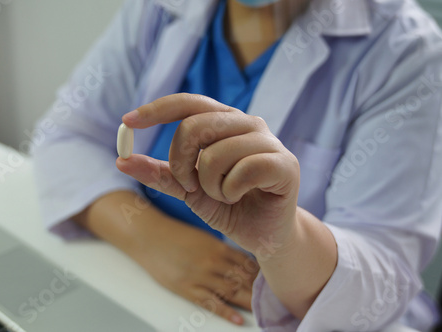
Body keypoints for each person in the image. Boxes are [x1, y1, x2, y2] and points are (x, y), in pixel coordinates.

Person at [31, 0, 442, 330]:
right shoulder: (157, 8)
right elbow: (67, 136)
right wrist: (152, 240)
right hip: (139, 285)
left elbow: (381, 280)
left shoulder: (407, 53)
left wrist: (282, 238)